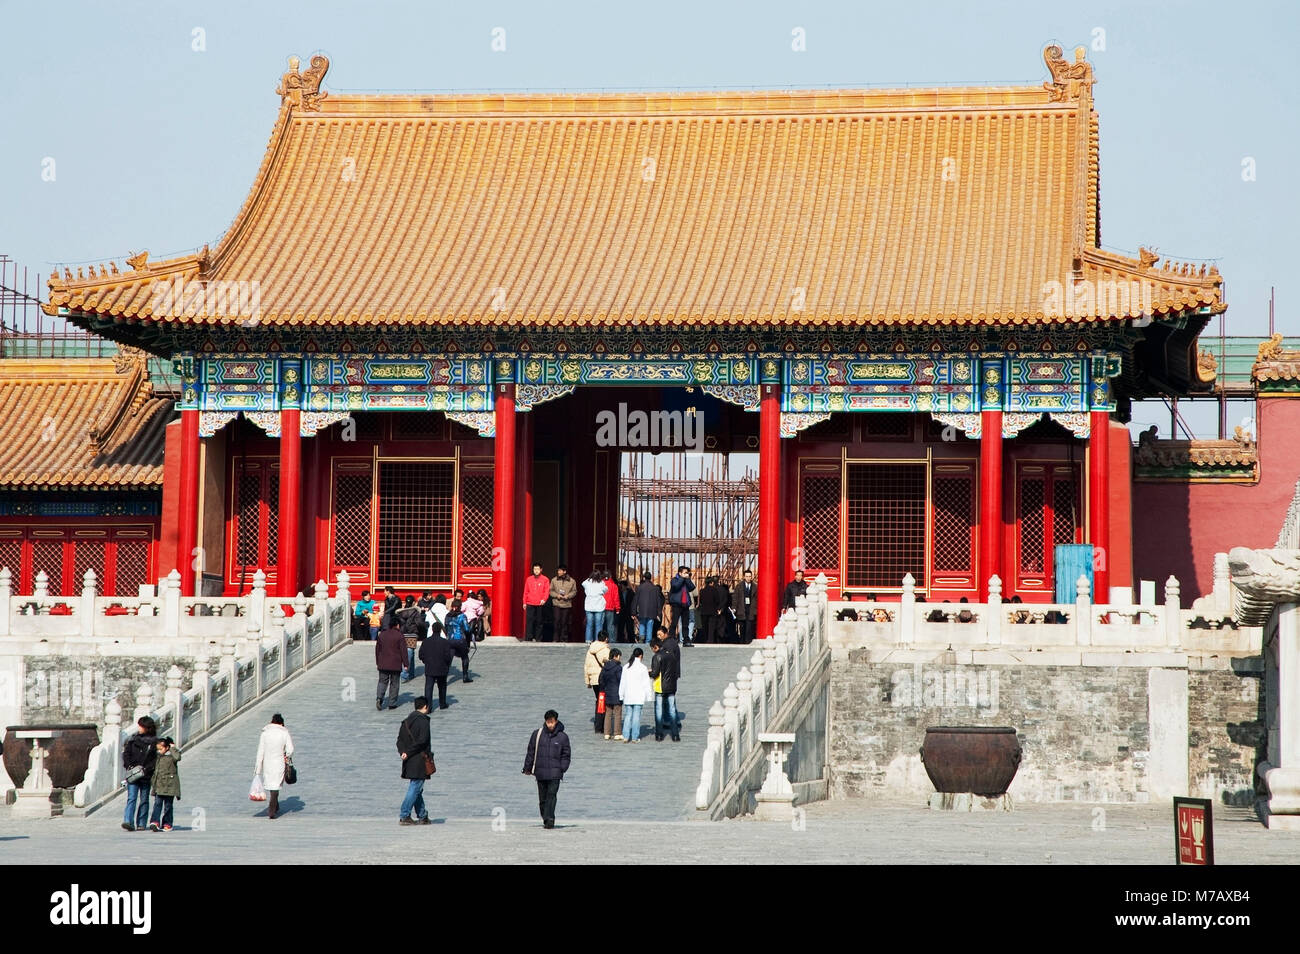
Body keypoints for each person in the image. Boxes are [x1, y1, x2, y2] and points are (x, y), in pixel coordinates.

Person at [522, 710, 570, 829]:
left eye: (552, 722)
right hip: (541, 772)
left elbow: (566, 755)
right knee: (543, 799)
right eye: (548, 722)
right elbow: (531, 752)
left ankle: (550, 819)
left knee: (551, 796)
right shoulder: (537, 734)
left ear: (556, 721)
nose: (550, 725)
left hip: (555, 773)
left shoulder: (563, 737)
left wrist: (562, 768)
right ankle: (545, 817)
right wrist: (527, 768)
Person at [396, 697, 434, 825]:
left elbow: (399, 741)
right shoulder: (423, 721)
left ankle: (422, 815)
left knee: (417, 788)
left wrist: (403, 753)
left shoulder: (406, 721)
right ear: (425, 707)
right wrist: (409, 752)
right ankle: (404, 814)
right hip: (419, 759)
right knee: (415, 787)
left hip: (408, 760)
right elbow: (422, 741)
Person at [254, 714, 294, 820]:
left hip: (268, 763)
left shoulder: (265, 733)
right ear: (281, 723)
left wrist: (258, 769)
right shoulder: (284, 732)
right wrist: (286, 755)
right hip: (279, 762)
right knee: (276, 785)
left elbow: (260, 751)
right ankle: (272, 809)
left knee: (272, 784)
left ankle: (275, 806)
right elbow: (290, 749)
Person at [121, 715, 157, 832]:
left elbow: (155, 759)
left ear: (147, 727)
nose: (139, 728)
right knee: (131, 798)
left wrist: (147, 769)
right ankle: (128, 821)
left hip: (146, 774)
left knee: (144, 799)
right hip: (133, 774)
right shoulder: (133, 740)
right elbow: (126, 754)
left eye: (141, 726)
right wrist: (129, 765)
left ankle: (141, 822)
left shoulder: (154, 742)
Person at [649, 629, 682, 741]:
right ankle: (675, 735)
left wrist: (649, 672)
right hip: (671, 686)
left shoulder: (657, 657)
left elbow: (655, 673)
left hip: (660, 686)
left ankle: (659, 734)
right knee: (672, 709)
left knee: (659, 711)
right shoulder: (671, 655)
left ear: (655, 647)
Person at [618, 647, 653, 743]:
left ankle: (625, 736)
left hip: (628, 695)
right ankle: (634, 737)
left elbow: (622, 682)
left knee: (628, 716)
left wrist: (621, 695)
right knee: (636, 716)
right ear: (641, 655)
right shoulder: (643, 668)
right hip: (638, 696)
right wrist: (649, 696)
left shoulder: (626, 667)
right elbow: (646, 683)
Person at [147, 737, 181, 832]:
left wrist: (172, 748)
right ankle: (155, 822)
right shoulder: (157, 757)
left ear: (166, 748)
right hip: (159, 785)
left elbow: (178, 757)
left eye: (161, 749)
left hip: (170, 785)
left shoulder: (172, 756)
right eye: (158, 749)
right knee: (157, 804)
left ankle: (167, 823)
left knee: (168, 805)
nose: (159, 751)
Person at [419, 623, 454, 709]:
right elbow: (448, 656)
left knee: (428, 687)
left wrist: (426, 661)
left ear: (432, 629)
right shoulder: (445, 642)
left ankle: (428, 706)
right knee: (442, 687)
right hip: (442, 667)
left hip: (430, 667)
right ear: (440, 630)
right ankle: (442, 704)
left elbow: (421, 655)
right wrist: (447, 664)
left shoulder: (426, 641)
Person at [375, 620, 407, 710]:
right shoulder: (399, 636)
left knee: (382, 681)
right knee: (395, 683)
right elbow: (403, 651)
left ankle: (379, 698)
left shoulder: (382, 635)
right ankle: (392, 703)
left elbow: (377, 650)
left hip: (383, 663)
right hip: (395, 664)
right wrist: (406, 664)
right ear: (397, 625)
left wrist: (378, 661)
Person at [584, 632, 610, 734]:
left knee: (599, 700)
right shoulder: (605, 649)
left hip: (594, 680)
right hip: (602, 679)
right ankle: (600, 725)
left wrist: (588, 681)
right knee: (602, 701)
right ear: (606, 638)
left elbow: (586, 666)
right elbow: (608, 665)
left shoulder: (590, 650)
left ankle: (598, 724)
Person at [445, 598, 473, 683]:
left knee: (449, 659)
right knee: (465, 657)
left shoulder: (447, 616)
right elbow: (467, 629)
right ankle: (465, 676)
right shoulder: (462, 616)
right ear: (460, 607)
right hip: (460, 639)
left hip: (450, 639)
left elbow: (445, 627)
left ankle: (444, 677)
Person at [396, 595, 423, 680]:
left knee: (408, 652)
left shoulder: (400, 612)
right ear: (413, 602)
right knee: (409, 652)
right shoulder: (416, 612)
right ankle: (405, 673)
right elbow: (419, 623)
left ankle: (411, 673)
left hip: (402, 633)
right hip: (412, 633)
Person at [599, 648, 624, 740]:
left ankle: (607, 733)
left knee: (608, 714)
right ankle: (617, 733)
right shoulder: (618, 668)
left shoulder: (604, 667)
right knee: (617, 713)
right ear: (615, 656)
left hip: (607, 692)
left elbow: (601, 680)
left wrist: (604, 689)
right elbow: (621, 680)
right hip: (617, 693)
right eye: (619, 656)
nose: (619, 658)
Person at [522, 563, 551, 642]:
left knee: (539, 621)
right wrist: (524, 602)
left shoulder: (545, 579)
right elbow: (526, 591)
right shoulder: (529, 579)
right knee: (529, 621)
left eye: (538, 569)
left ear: (541, 570)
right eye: (535, 569)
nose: (536, 571)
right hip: (530, 602)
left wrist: (544, 599)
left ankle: (538, 638)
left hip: (540, 603)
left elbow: (546, 591)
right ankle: (529, 637)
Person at [549, 565, 577, 643]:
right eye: (558, 571)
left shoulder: (572, 581)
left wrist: (568, 596)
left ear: (564, 571)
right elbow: (551, 591)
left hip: (567, 604)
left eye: (560, 571)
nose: (558, 572)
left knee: (564, 622)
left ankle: (563, 638)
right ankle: (555, 638)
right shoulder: (554, 580)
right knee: (556, 621)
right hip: (557, 603)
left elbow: (574, 591)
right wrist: (556, 595)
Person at [668, 566, 695, 646]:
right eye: (685, 573)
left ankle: (686, 640)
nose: (686, 574)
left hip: (685, 604)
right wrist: (682, 578)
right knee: (674, 622)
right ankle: (671, 639)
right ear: (680, 573)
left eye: (687, 573)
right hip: (677, 604)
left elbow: (692, 587)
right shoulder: (675, 580)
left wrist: (687, 579)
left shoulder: (686, 580)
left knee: (685, 623)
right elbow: (675, 586)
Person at [633, 571, 663, 644]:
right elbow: (658, 602)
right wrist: (659, 613)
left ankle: (641, 638)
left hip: (642, 611)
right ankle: (648, 642)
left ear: (644, 577)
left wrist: (633, 612)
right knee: (650, 626)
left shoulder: (640, 587)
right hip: (652, 612)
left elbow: (635, 600)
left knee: (642, 624)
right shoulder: (655, 588)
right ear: (651, 578)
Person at [582, 570, 606, 643]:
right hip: (599, 607)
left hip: (589, 606)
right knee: (598, 625)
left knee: (589, 624)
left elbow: (582, 583)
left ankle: (588, 640)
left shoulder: (587, 583)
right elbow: (605, 590)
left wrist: (589, 578)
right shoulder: (601, 583)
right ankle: (598, 641)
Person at [734, 570, 757, 643]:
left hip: (751, 610)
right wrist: (734, 608)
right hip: (741, 609)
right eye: (746, 576)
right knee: (742, 628)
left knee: (749, 628)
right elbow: (735, 598)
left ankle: (748, 642)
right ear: (744, 577)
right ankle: (742, 642)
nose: (748, 578)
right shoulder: (739, 586)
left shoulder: (755, 586)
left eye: (749, 576)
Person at [698, 575, 721, 644]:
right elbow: (717, 600)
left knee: (705, 627)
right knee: (711, 627)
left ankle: (705, 640)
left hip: (704, 611)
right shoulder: (714, 590)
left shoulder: (702, 591)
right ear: (711, 582)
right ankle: (710, 640)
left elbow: (701, 601)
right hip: (712, 611)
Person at [601, 570, 620, 641]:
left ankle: (600, 639)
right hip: (610, 608)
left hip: (601, 607)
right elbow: (616, 598)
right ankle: (612, 640)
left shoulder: (600, 584)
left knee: (601, 625)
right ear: (610, 576)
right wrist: (617, 608)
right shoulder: (614, 586)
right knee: (610, 626)